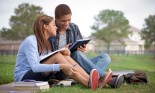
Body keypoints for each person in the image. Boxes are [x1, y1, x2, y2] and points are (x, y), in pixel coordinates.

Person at [14, 15, 99, 90]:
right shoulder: (30, 41)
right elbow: (35, 67)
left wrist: (65, 52)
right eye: (54, 25)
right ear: (45, 26)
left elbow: (45, 59)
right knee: (57, 56)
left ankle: (90, 79)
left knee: (62, 55)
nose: (56, 27)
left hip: (37, 75)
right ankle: (87, 82)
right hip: (23, 77)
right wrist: (61, 66)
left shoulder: (46, 43)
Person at [49, 4, 112, 88]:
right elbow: (50, 56)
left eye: (69, 20)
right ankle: (107, 79)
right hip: (62, 69)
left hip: (78, 65)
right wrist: (63, 50)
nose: (67, 23)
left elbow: (80, 47)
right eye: (63, 21)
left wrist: (83, 48)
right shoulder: (50, 30)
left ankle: (89, 79)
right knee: (76, 54)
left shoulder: (74, 27)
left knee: (105, 57)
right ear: (56, 19)